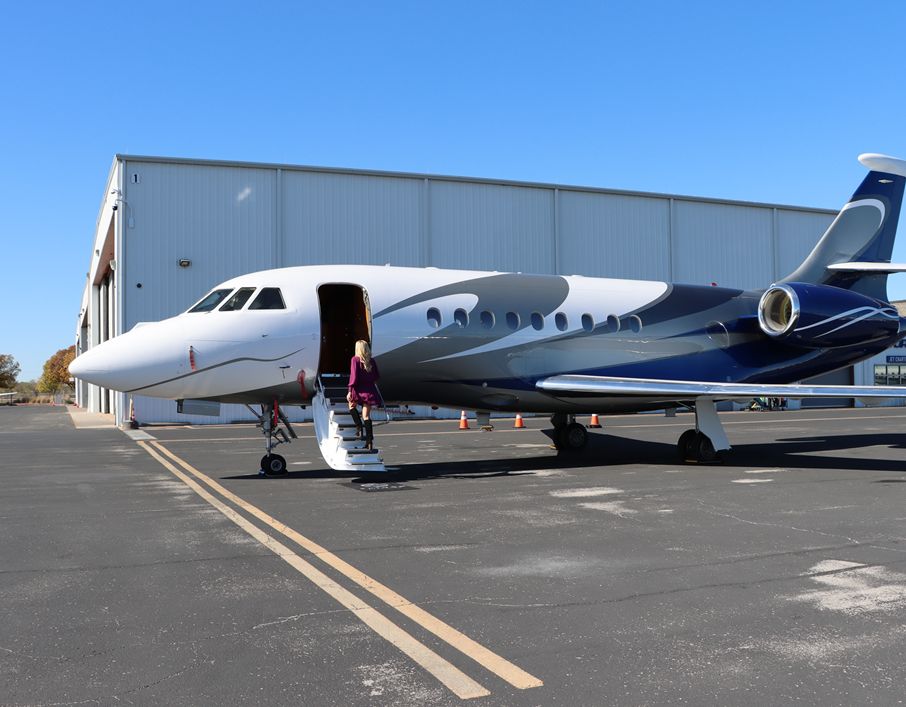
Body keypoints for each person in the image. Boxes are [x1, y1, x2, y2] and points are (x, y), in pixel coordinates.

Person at [347, 340, 381, 450]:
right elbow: (376, 377)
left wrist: (349, 390)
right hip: (369, 390)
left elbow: (354, 377)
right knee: (366, 416)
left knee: (351, 407)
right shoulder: (372, 361)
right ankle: (369, 442)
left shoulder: (355, 360)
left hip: (358, 389)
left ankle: (359, 426)